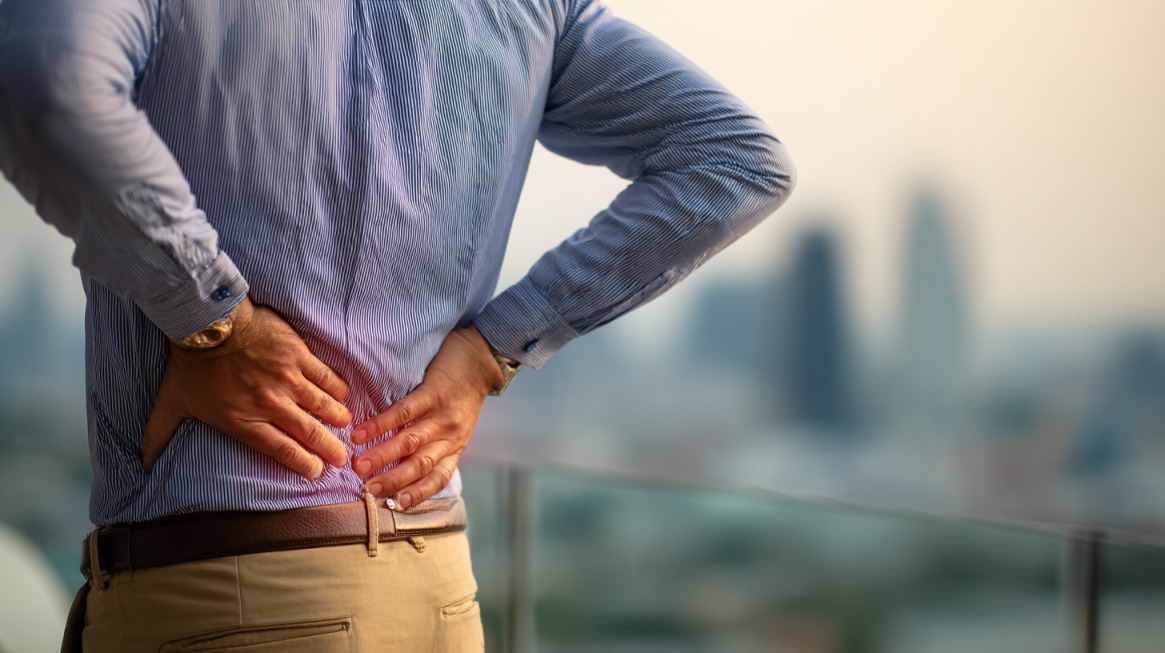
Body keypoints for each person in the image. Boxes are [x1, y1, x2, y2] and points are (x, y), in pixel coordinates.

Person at [0, 0, 796, 651]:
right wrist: (495, 346)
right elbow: (731, 159)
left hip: (233, 596)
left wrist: (212, 318)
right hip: (438, 594)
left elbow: (44, 81)